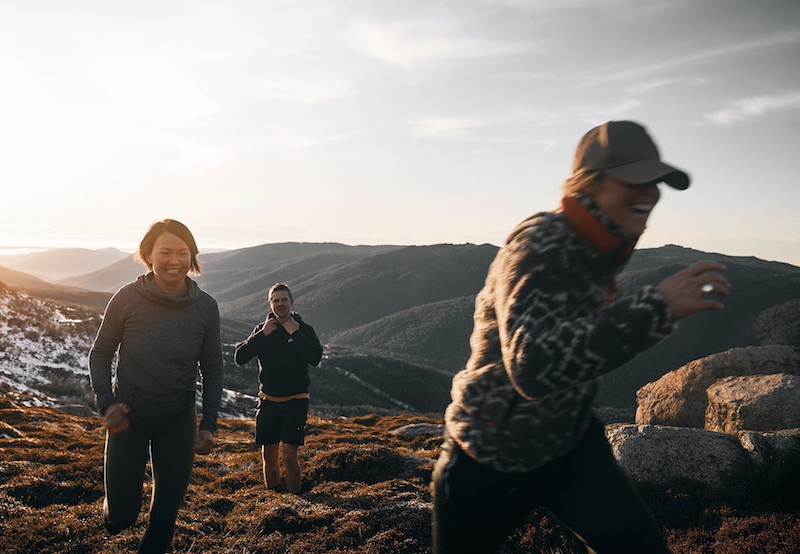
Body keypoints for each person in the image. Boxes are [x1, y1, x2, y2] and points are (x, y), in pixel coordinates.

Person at [431, 120, 731, 554]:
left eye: (657, 182)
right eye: (635, 180)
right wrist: (657, 308)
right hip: (490, 451)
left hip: (568, 442)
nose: (650, 192)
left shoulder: (600, 243)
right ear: (589, 183)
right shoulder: (542, 243)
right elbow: (532, 368)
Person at [88, 219, 223, 554]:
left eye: (182, 252)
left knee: (164, 517)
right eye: (165, 252)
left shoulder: (206, 307)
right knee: (121, 517)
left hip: (177, 421)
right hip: (127, 420)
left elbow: (213, 367)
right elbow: (101, 353)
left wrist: (208, 424)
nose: (174, 260)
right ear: (148, 255)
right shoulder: (126, 299)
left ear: (192, 257)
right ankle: (114, 507)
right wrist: (107, 404)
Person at [233, 283, 323, 494]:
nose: (280, 304)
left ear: (291, 302)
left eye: (284, 300)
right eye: (276, 300)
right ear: (270, 304)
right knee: (269, 455)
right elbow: (240, 357)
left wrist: (296, 334)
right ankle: (274, 500)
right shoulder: (262, 330)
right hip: (268, 401)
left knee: (290, 457)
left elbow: (315, 357)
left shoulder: (304, 329)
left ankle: (296, 500)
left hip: (296, 401)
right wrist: (261, 335)